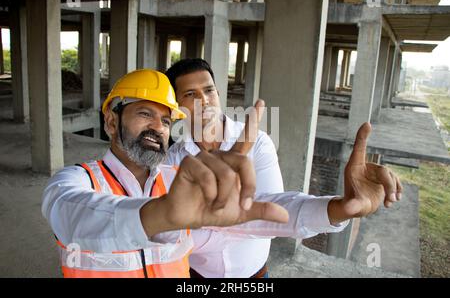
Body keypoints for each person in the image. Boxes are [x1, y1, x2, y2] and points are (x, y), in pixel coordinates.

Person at [42, 68, 402, 278]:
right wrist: (162, 214)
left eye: (166, 121)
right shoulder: (76, 180)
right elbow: (70, 213)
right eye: (144, 115)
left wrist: (338, 207)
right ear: (110, 120)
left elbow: (266, 210)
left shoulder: (177, 178)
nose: (157, 128)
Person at [164, 58, 403, 278]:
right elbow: (175, 233)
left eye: (208, 90)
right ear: (177, 106)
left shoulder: (257, 142)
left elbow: (274, 214)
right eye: (190, 94)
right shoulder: (172, 161)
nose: (204, 100)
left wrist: (339, 208)